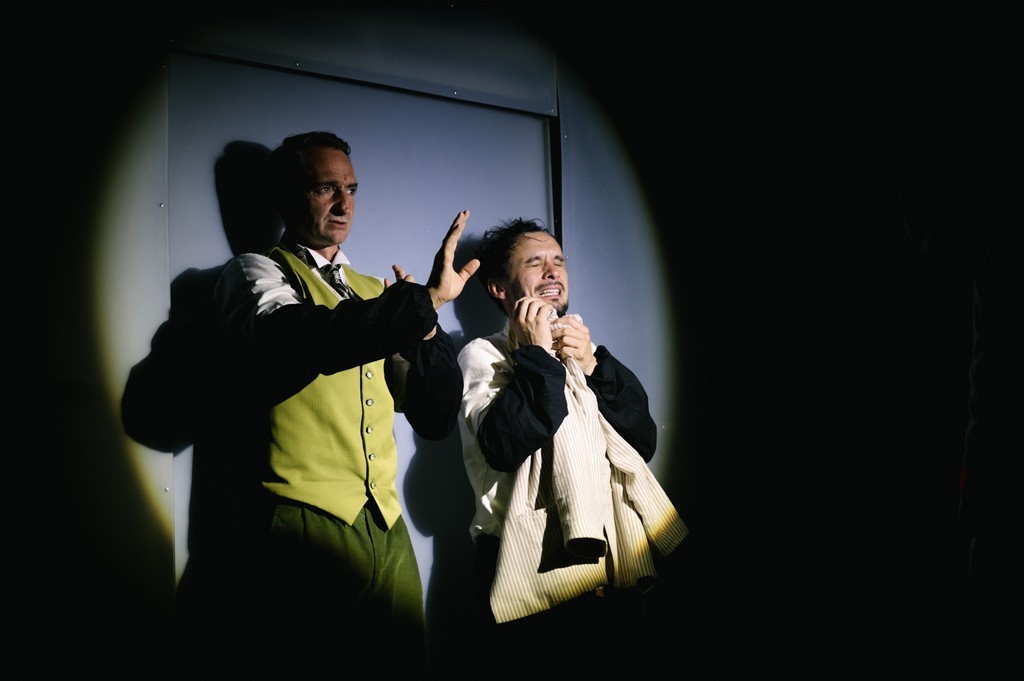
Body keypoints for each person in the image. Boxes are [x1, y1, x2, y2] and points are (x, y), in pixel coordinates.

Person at [156, 130, 479, 673]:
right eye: (325, 188)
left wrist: (427, 326)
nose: (344, 203)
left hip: (387, 527)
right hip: (300, 525)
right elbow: (291, 338)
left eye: (351, 189)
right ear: (288, 197)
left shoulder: (375, 291)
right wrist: (416, 304)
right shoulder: (255, 271)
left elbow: (431, 413)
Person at [456, 218, 688, 675]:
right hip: (529, 565)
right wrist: (537, 357)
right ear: (499, 288)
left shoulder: (583, 351)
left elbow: (641, 443)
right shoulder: (483, 355)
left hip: (609, 563)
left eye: (558, 261)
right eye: (535, 262)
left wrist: (593, 366)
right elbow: (504, 445)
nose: (552, 272)